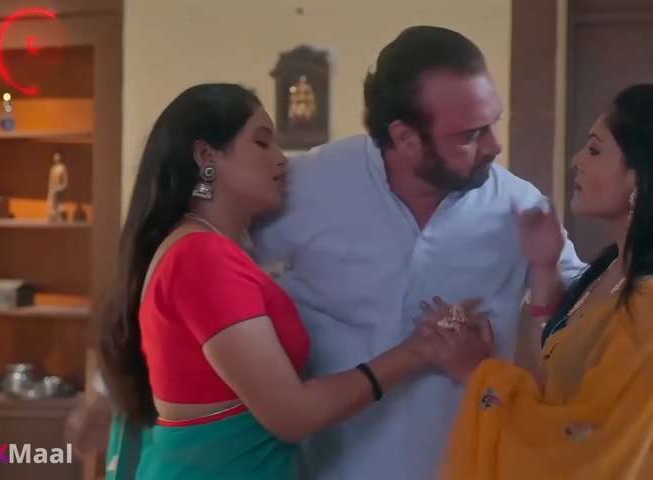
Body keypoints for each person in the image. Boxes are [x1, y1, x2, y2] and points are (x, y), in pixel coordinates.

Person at [97, 83, 491, 480]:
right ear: (206, 157)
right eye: (262, 142)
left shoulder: (208, 253)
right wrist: (417, 351)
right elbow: (291, 414)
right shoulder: (201, 257)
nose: (282, 160)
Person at [249, 26, 587, 480]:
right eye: (471, 134)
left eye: (493, 123)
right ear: (405, 137)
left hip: (468, 468)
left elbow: (584, 317)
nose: (494, 146)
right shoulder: (308, 186)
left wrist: (548, 273)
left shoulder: (519, 207)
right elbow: (221, 274)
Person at [440, 84, 653, 479]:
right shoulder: (609, 272)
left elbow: (588, 442)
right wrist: (544, 268)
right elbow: (553, 387)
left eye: (594, 150)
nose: (577, 160)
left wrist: (478, 375)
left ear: (641, 177)